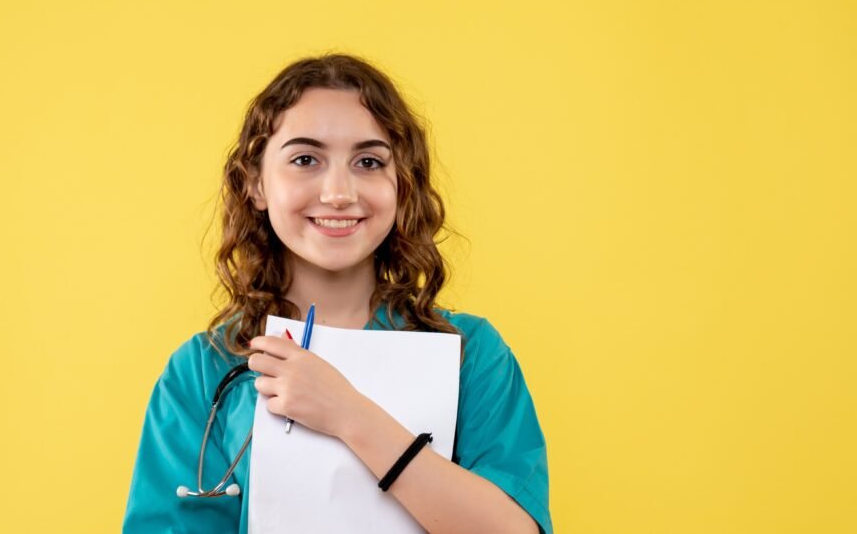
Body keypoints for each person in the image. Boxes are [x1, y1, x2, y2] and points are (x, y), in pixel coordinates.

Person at [122, 53, 552, 534]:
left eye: (368, 161)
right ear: (255, 184)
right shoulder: (203, 370)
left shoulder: (470, 353)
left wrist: (349, 415)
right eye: (306, 160)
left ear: (402, 186)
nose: (339, 192)